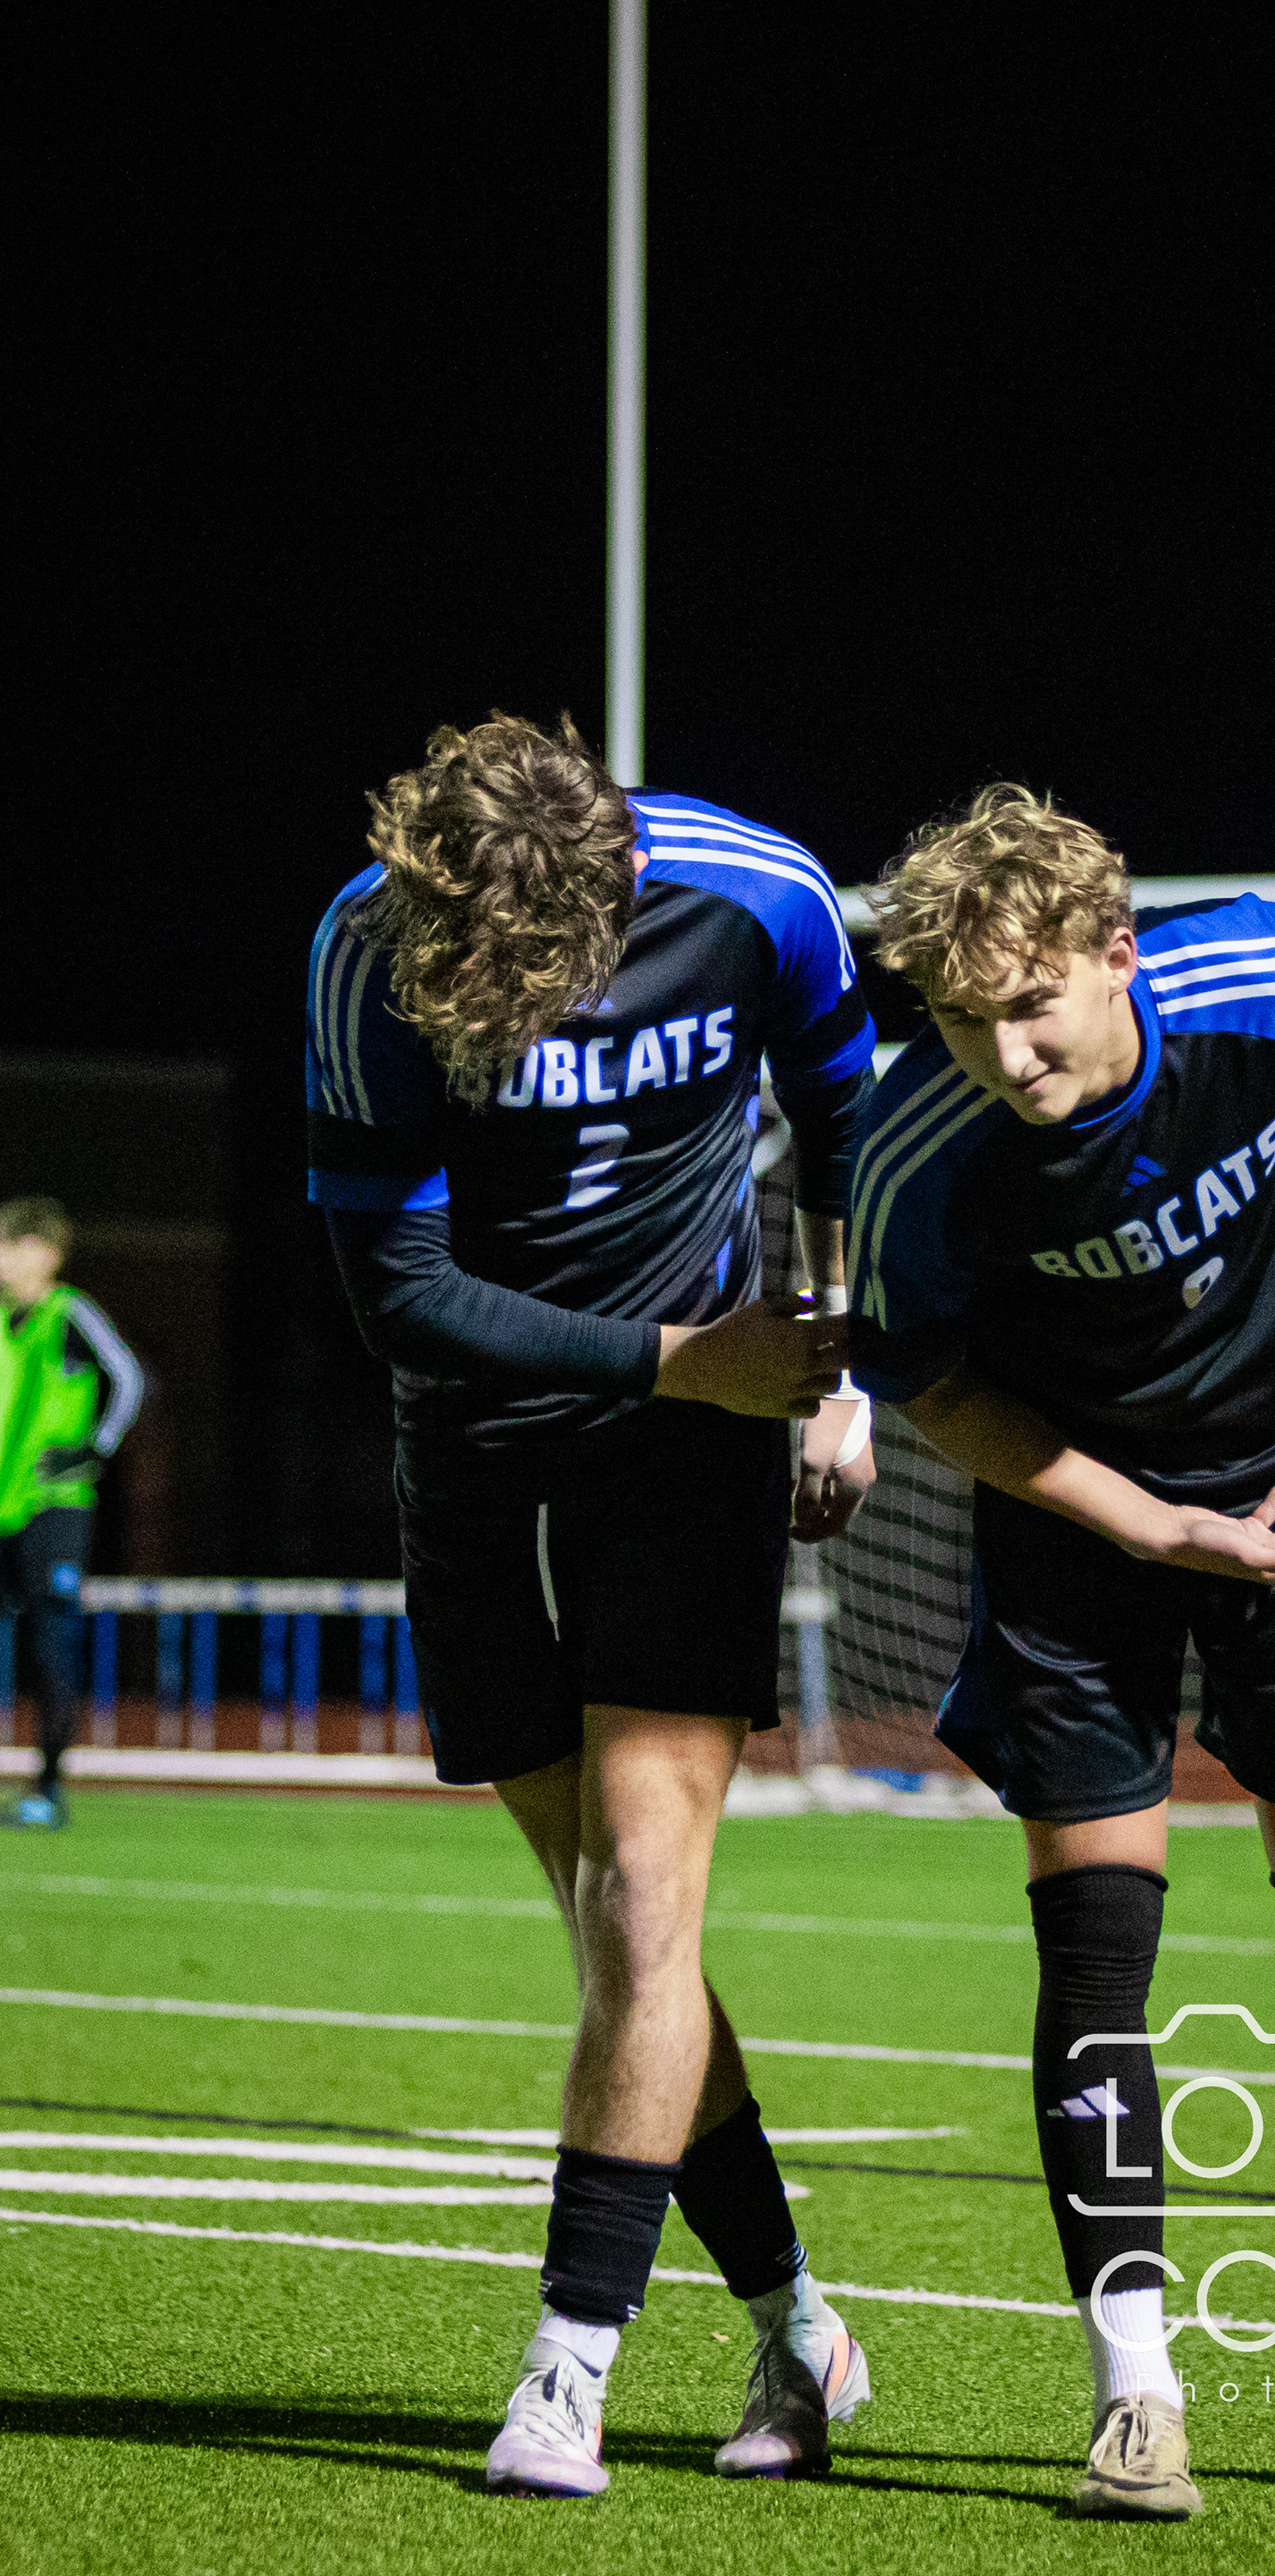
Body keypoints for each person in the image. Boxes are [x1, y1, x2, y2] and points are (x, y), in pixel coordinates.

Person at [848, 784, 1275, 2521]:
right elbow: (929, 1384)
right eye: (963, 1020)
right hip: (1082, 1534)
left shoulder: (1247, 976)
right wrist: (1147, 1525)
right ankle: (1134, 2393)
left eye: (1030, 1005)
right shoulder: (916, 1145)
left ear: (1118, 954)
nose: (1004, 1053)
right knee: (1093, 1952)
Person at [308, 712, 880, 2499]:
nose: (476, 1002)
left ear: (606, 903)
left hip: (689, 1445)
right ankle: (798, 2324)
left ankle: (567, 2372)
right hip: (482, 1439)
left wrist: (838, 1367)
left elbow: (851, 1115)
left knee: (645, 1894)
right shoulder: (368, 947)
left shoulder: (760, 894)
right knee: (617, 1935)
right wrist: (686, 1360)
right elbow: (400, 1294)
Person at [1, 1197, 143, 1830]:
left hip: (54, 1510)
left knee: (49, 1647)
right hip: (3, 1510)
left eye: (9, 1245)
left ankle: (48, 1791)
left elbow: (130, 1380)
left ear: (45, 1253)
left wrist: (93, 1449)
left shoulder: (69, 1314)